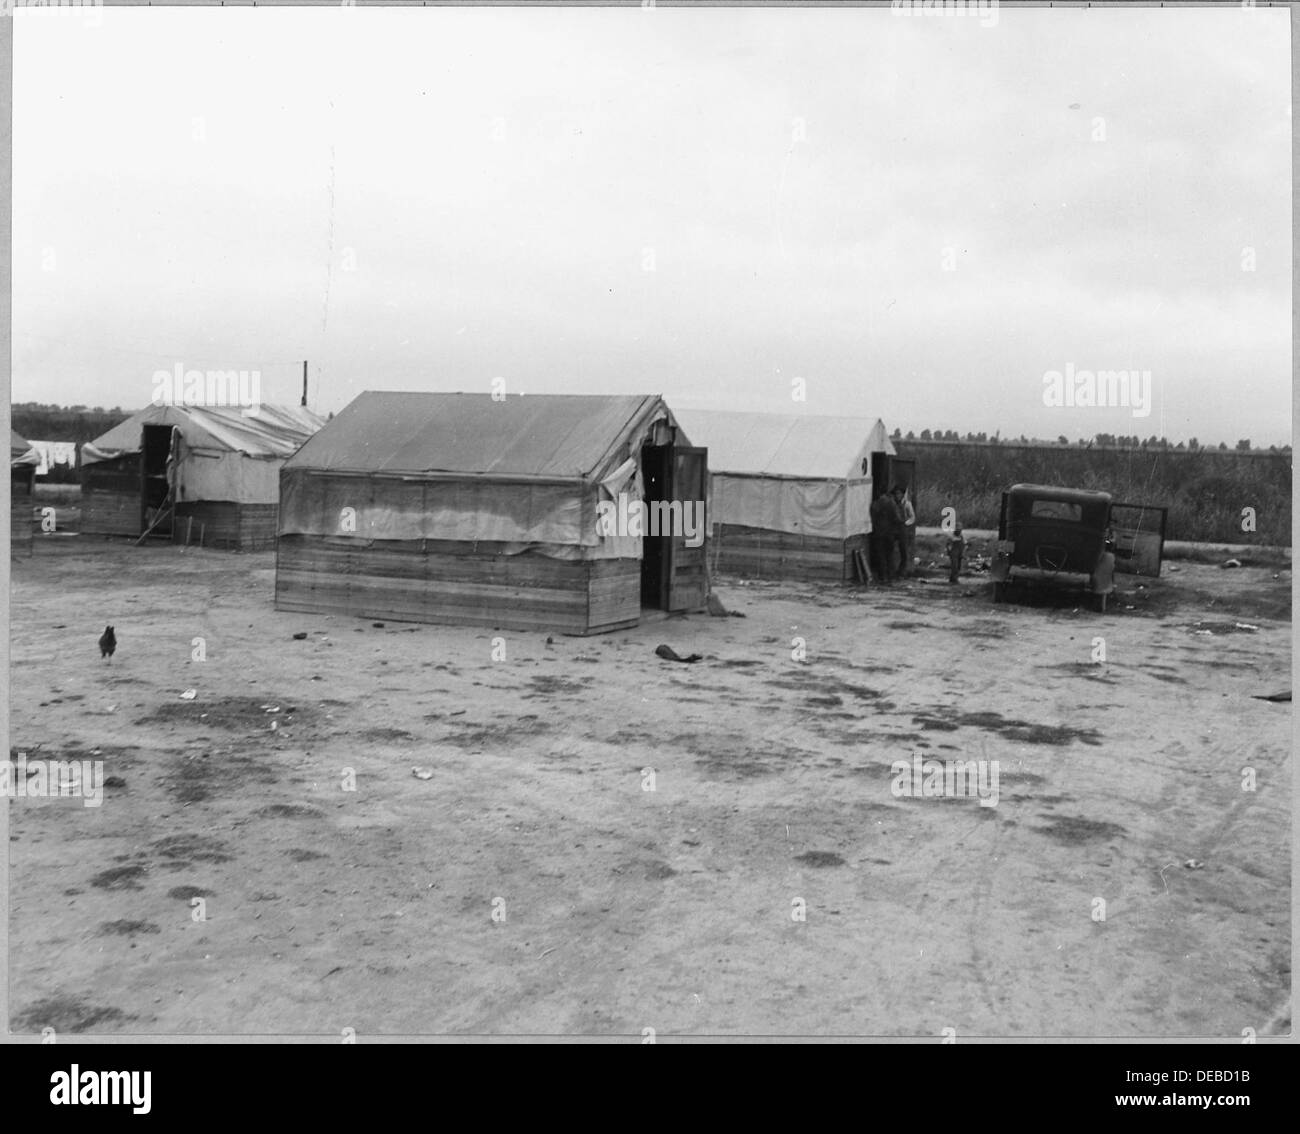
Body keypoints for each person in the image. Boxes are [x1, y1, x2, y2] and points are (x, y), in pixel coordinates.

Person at [869, 488, 903, 584]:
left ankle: (882, 576)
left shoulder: (875, 504)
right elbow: (898, 518)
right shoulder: (892, 504)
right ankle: (890, 576)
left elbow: (872, 518)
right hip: (889, 534)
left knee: (881, 556)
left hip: (878, 534)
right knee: (889, 555)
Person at [897, 487, 917, 579]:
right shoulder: (894, 504)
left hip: (903, 529)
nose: (897, 496)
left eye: (899, 494)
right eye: (896, 494)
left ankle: (902, 572)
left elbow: (912, 517)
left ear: (902, 494)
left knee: (904, 552)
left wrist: (906, 523)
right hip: (895, 529)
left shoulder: (907, 504)